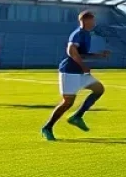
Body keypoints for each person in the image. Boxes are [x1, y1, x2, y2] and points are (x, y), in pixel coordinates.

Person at [41, 11, 110, 141]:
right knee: (67, 102)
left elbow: (81, 53)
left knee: (99, 89)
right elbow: (71, 50)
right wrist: (83, 66)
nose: (94, 23)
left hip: (79, 72)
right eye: (93, 21)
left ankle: (77, 116)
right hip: (69, 72)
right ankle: (47, 127)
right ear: (85, 21)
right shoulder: (77, 34)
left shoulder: (87, 34)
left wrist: (99, 55)